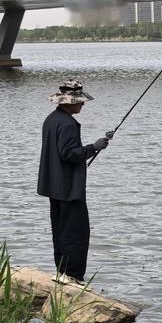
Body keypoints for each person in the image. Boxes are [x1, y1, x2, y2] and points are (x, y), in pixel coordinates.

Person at [37, 79, 111, 282]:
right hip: (69, 189)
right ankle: (74, 276)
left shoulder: (51, 119)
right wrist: (93, 147)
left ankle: (61, 272)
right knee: (76, 233)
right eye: (79, 101)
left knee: (60, 231)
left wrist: (92, 148)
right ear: (69, 101)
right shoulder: (68, 124)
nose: (83, 104)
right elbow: (68, 154)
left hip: (54, 186)